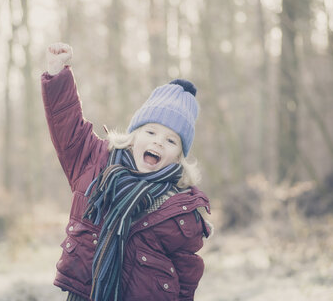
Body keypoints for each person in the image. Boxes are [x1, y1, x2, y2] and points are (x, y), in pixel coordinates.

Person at [42, 42, 212, 301]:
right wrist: (58, 75)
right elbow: (68, 127)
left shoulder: (182, 210)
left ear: (179, 156)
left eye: (171, 140)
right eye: (151, 132)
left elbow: (187, 276)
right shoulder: (95, 163)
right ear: (133, 136)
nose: (157, 142)